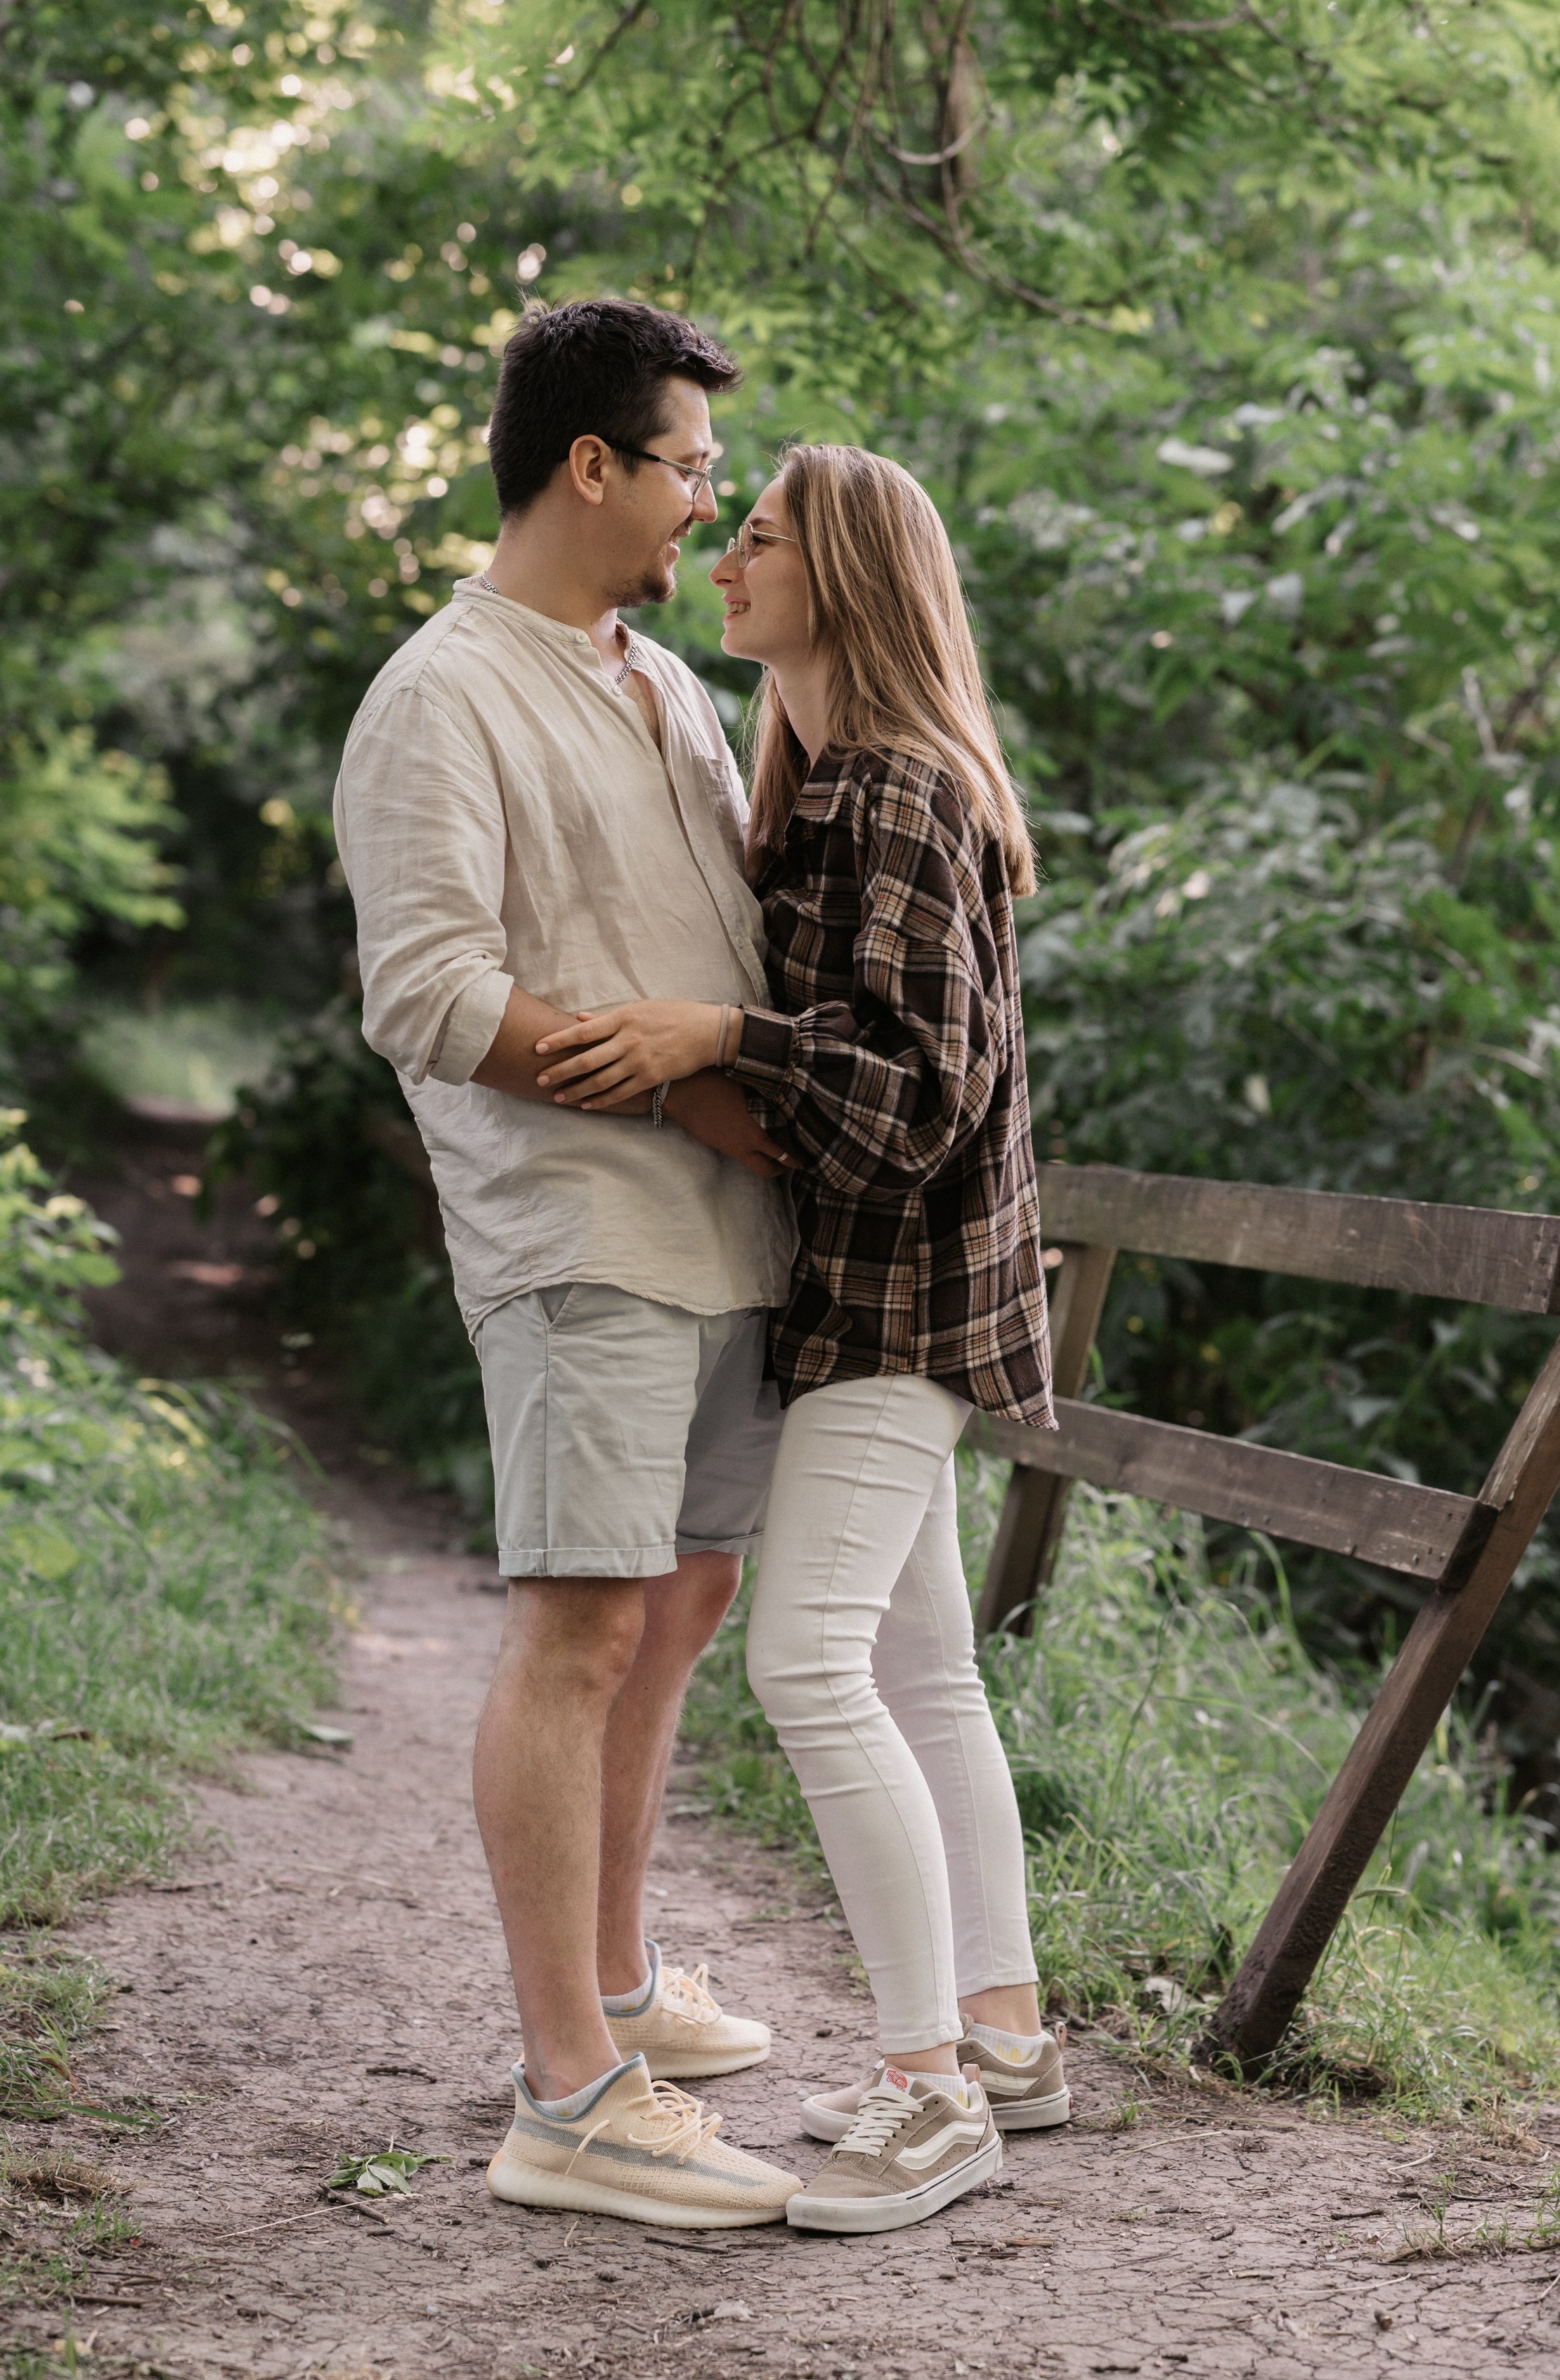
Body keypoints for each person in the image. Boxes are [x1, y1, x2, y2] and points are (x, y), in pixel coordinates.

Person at [536, 444, 1065, 2236]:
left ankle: (929, 2092)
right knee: (920, 1666)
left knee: (810, 1664)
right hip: (874, 1288)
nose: (721, 556)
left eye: (752, 536)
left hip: (898, 1298)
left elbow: (921, 1095)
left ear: (839, 571)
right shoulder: (834, 784)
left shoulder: (901, 785)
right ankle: (1002, 2040)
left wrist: (715, 1038)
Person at [332, 298, 807, 2230]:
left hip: (727, 1229)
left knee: (680, 1603)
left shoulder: (664, 681)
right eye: (692, 465)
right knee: (581, 1625)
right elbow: (429, 992)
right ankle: (568, 2095)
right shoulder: (441, 695)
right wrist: (677, 1085)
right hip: (581, 1233)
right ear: (591, 465)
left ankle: (616, 1982)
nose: (710, 499)